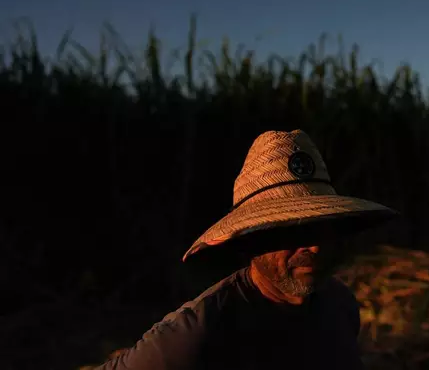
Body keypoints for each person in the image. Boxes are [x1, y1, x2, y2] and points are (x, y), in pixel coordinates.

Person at [94, 129, 399, 370]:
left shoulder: (340, 306)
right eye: (294, 231)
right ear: (251, 240)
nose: (316, 246)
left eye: (322, 228)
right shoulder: (197, 333)